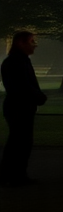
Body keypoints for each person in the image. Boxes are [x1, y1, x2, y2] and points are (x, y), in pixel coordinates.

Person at [1, 31, 46, 188]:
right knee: (20, 142)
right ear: (21, 43)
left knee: (18, 141)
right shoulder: (17, 62)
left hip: (18, 106)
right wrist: (39, 96)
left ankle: (12, 174)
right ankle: (15, 175)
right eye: (31, 41)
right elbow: (22, 86)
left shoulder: (17, 61)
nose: (34, 45)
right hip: (19, 106)